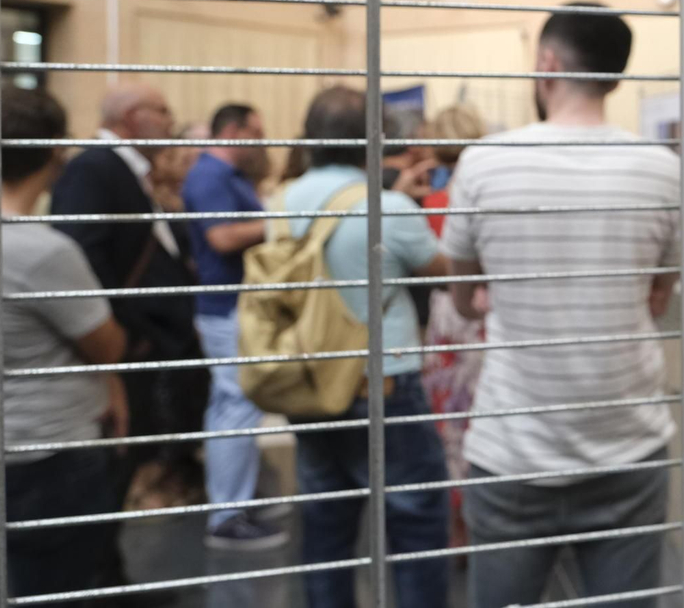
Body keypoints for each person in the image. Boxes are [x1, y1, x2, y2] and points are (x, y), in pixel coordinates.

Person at [442, 6, 680, 608]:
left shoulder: (483, 162)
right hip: (629, 445)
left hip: (513, 452)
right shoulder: (662, 169)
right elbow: (657, 299)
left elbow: (464, 301)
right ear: (614, 77)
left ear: (547, 63)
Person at [0, 87, 130, 599]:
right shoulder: (44, 252)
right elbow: (108, 347)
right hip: (49, 454)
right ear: (56, 151)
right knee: (52, 586)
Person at [282, 86, 450, 608]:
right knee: (416, 529)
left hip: (311, 382)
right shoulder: (388, 207)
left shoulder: (280, 202)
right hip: (384, 384)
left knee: (325, 533)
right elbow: (442, 271)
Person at [51, 83, 208, 518]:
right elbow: (82, 255)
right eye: (162, 110)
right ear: (134, 117)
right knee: (115, 467)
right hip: (122, 343)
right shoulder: (95, 168)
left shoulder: (120, 168)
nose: (171, 120)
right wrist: (122, 332)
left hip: (140, 338)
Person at [180, 103, 287, 550]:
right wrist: (283, 220)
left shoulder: (225, 176)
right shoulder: (210, 176)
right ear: (232, 131)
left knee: (232, 403)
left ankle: (234, 500)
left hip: (231, 306)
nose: (260, 142)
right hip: (226, 307)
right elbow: (222, 237)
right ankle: (227, 515)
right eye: (255, 133)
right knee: (235, 404)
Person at [418, 105, 489, 548]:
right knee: (486, 412)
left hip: (445, 313)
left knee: (448, 420)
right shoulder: (487, 196)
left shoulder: (432, 203)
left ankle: (457, 525)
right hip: (484, 310)